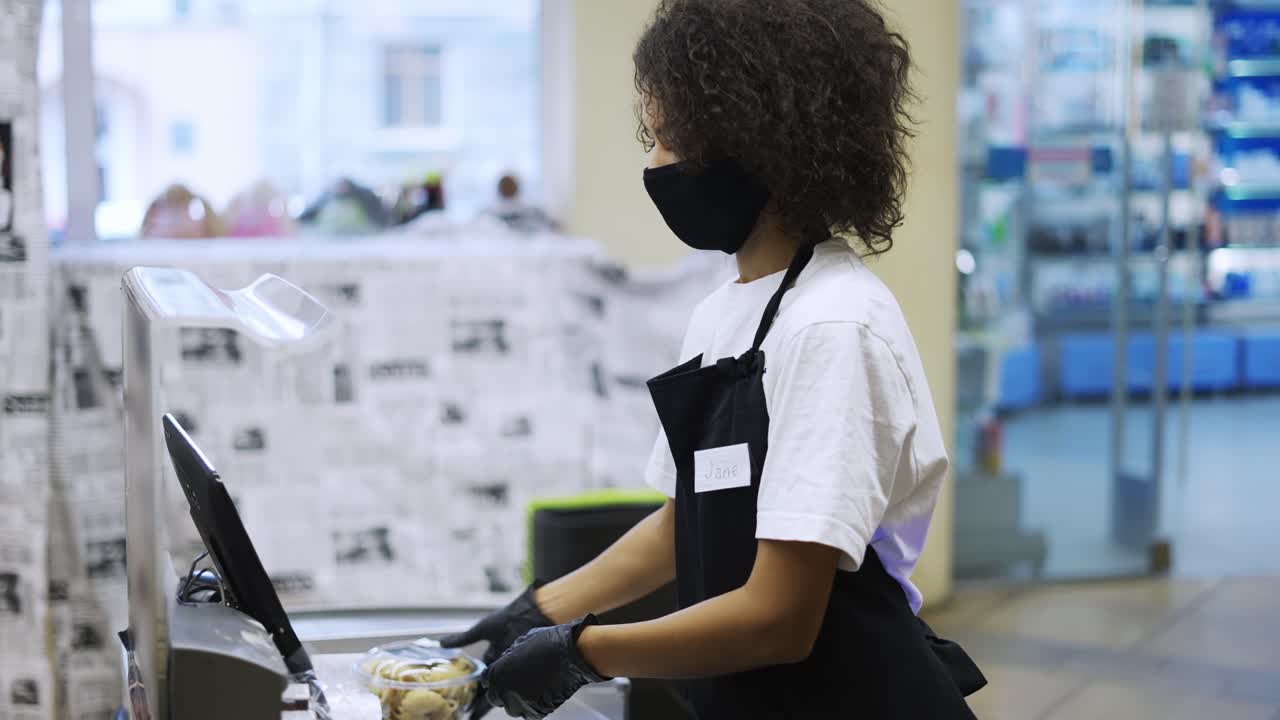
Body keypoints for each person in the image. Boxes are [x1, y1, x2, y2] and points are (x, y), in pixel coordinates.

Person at [443, 1, 986, 718]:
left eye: (672, 140)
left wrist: (583, 652)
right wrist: (540, 608)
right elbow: (684, 524)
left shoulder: (835, 328)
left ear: (758, 142)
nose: (656, 164)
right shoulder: (724, 311)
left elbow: (778, 619)